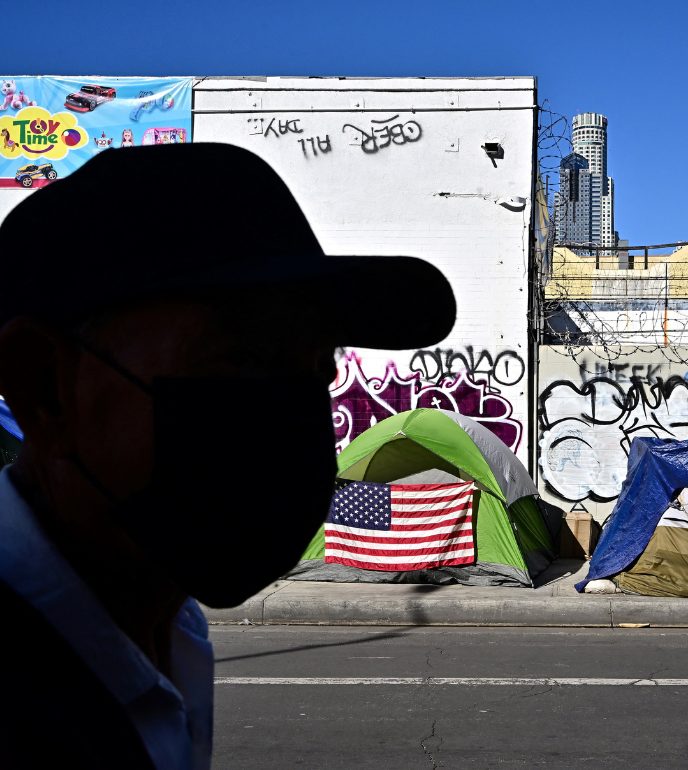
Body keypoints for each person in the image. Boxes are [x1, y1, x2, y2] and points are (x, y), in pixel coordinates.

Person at [0, 143, 455, 768]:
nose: (289, 420)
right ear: (46, 389)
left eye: (315, 374)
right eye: (238, 361)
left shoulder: (170, 628)